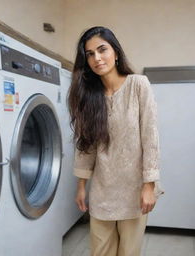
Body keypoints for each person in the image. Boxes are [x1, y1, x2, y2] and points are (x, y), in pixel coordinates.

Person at [68, 26, 163, 256]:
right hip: (102, 190)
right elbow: (87, 145)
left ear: (116, 52)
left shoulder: (138, 85)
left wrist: (149, 184)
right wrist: (81, 186)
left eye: (102, 50)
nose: (97, 58)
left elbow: (150, 136)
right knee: (100, 252)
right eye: (90, 54)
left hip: (135, 189)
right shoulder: (88, 96)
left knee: (129, 252)